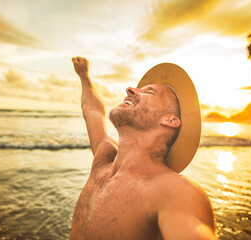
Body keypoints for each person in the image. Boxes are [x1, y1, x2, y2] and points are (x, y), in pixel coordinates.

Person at [69, 56, 217, 240]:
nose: (130, 89)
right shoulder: (103, 158)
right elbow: (93, 111)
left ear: (170, 120)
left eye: (150, 92)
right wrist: (84, 76)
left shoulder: (173, 191)